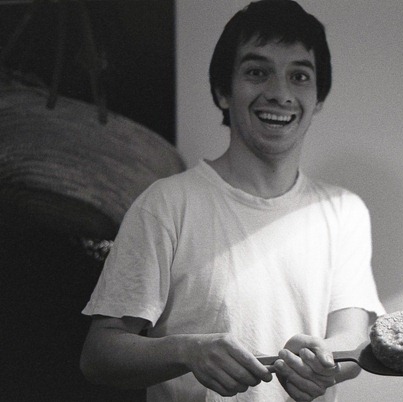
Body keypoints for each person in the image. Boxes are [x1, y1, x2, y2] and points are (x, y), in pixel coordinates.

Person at [80, 1, 385, 401]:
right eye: (257, 72)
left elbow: (352, 340)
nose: (280, 93)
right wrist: (186, 351)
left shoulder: (345, 210)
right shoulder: (166, 205)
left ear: (318, 98)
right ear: (224, 92)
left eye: (299, 76)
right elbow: (99, 355)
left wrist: (325, 365)